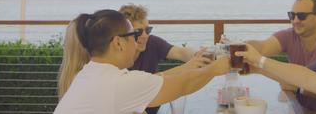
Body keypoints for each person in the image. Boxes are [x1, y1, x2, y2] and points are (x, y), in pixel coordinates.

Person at [54, 9, 230, 114]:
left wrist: (193, 66)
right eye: (134, 35)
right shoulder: (118, 83)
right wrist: (215, 68)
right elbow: (184, 85)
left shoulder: (90, 74)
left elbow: (161, 79)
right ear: (118, 43)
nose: (139, 39)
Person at [246, 0, 316, 113]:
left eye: (301, 16)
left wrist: (297, 87)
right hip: (297, 108)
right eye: (292, 15)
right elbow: (263, 47)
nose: (295, 20)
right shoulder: (289, 35)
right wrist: (239, 47)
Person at [120, 3, 211, 114]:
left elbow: (180, 52)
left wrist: (199, 54)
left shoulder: (151, 42)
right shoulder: (116, 62)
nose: (144, 36)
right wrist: (191, 66)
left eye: (147, 30)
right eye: (138, 32)